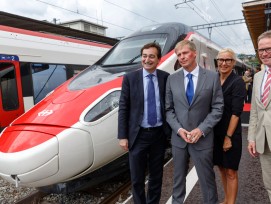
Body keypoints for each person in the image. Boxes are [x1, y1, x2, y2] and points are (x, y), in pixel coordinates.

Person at [165, 39, 224, 204]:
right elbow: (168, 110)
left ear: (194, 53)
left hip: (202, 138)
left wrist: (201, 129)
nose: (182, 57)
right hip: (179, 139)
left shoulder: (212, 77)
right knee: (178, 180)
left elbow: (218, 108)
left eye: (185, 53)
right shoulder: (172, 79)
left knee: (207, 180)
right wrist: (178, 129)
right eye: (179, 55)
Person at [118, 42, 170, 204]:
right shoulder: (130, 78)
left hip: (158, 135)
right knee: (137, 178)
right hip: (137, 135)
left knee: (156, 177)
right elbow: (123, 108)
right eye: (144, 56)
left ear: (159, 59)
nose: (147, 59)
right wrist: (122, 136)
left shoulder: (165, 78)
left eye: (151, 56)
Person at [213, 48, 246, 204]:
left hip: (230, 134)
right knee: (221, 168)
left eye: (227, 60)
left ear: (233, 63)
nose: (223, 63)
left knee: (231, 171)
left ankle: (231, 202)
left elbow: (236, 112)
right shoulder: (214, 79)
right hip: (215, 133)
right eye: (221, 60)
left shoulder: (237, 81)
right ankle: (226, 199)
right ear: (217, 61)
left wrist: (228, 137)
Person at [248, 30, 271, 202]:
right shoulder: (257, 77)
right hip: (264, 141)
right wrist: (251, 138)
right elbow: (255, 111)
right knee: (269, 184)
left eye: (268, 48)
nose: (264, 53)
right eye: (260, 50)